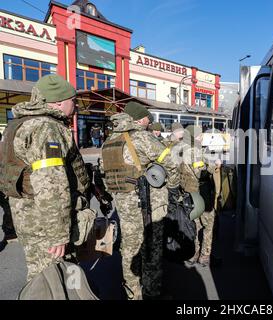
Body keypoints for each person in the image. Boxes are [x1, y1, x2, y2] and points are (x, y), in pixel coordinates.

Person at [0, 74, 91, 281]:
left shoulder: (19, 124)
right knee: (54, 280)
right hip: (45, 223)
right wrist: (57, 234)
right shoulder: (46, 128)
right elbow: (51, 185)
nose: (75, 106)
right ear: (59, 102)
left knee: (41, 275)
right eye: (73, 101)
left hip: (28, 217)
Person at [101, 101, 179, 299]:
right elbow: (170, 162)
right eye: (147, 119)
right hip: (148, 204)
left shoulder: (110, 140)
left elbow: (104, 173)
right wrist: (172, 186)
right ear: (139, 119)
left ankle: (132, 292)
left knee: (129, 247)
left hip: (124, 204)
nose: (148, 122)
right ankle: (152, 292)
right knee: (151, 247)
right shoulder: (142, 137)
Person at [179, 125, 221, 267]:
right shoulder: (195, 152)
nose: (202, 137)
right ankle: (204, 255)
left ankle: (193, 253)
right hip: (201, 193)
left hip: (188, 193)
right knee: (209, 224)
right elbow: (200, 172)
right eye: (199, 135)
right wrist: (215, 165)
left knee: (194, 225)